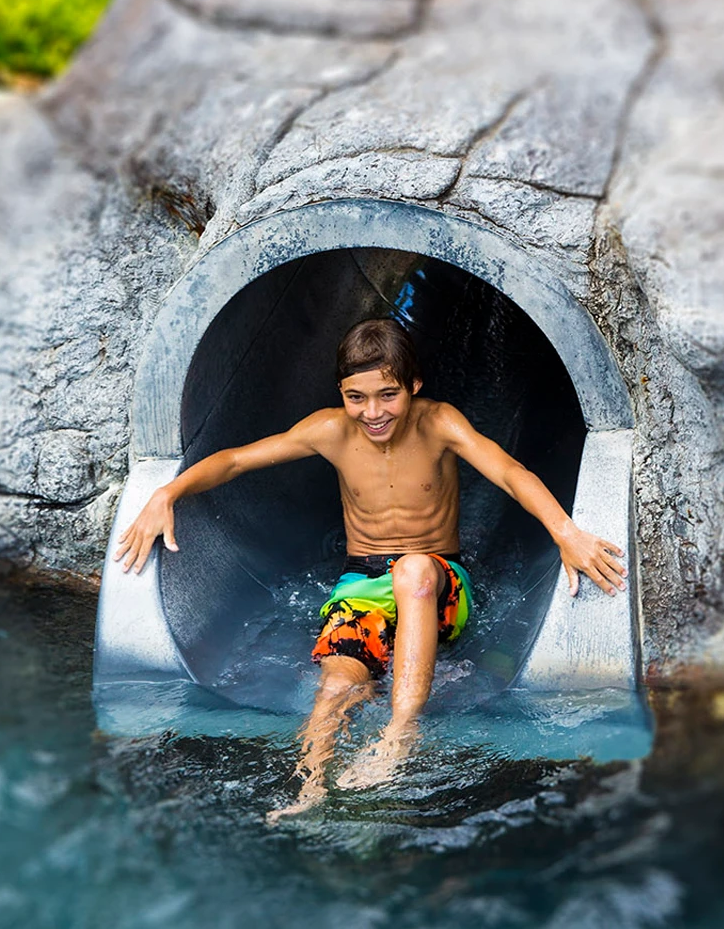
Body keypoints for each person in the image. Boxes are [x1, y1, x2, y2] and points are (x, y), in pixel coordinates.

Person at [112, 318, 626, 821]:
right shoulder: (330, 431)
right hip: (361, 581)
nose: (372, 412)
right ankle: (310, 785)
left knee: (413, 573)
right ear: (341, 391)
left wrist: (566, 532)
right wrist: (167, 492)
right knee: (337, 683)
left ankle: (400, 734)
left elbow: (509, 472)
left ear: (413, 386)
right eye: (356, 397)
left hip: (437, 579)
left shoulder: (439, 422)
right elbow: (236, 461)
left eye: (387, 395)